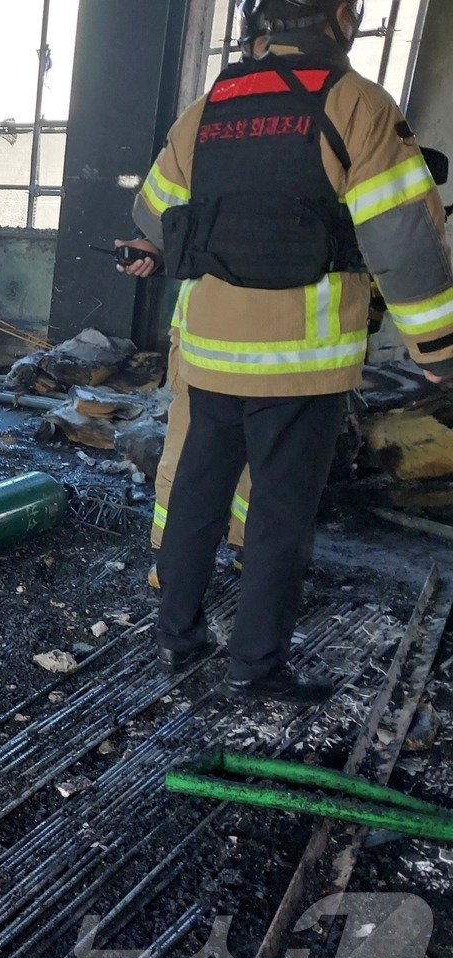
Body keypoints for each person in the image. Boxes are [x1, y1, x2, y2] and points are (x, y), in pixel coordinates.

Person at [119, 0, 453, 704]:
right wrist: (438, 348)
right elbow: (405, 244)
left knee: (197, 502)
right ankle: (257, 667)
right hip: (302, 362)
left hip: (211, 352)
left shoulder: (213, 105)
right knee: (277, 517)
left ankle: (178, 641)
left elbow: (152, 212)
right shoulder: (357, 104)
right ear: (338, 16)